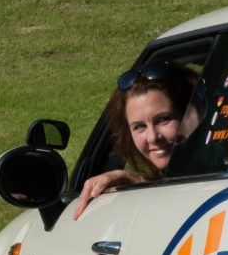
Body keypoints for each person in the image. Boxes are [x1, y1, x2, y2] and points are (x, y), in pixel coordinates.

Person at [72, 61, 198, 220]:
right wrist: (134, 181)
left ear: (192, 115)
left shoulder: (220, 174)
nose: (153, 137)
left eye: (164, 119)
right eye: (139, 127)